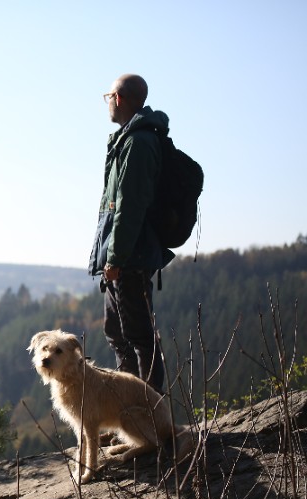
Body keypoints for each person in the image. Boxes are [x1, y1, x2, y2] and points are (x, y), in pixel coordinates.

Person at [88, 74, 174, 392]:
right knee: (118, 334)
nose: (107, 102)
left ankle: (149, 414)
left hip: (130, 258)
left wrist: (115, 258)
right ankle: (128, 409)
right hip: (126, 255)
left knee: (138, 337)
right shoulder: (129, 139)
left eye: (108, 95)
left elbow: (129, 207)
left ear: (119, 98)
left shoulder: (137, 143)